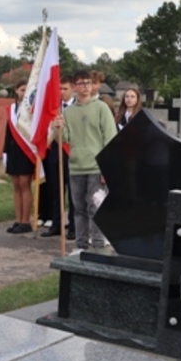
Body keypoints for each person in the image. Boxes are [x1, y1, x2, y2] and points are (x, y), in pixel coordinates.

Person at [61, 70, 118, 252]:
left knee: (96, 207)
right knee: (79, 209)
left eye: (88, 83)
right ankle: (81, 245)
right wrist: (57, 128)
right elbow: (64, 138)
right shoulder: (68, 111)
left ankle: (99, 245)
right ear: (75, 87)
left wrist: (107, 168)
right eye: (81, 83)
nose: (85, 86)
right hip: (76, 166)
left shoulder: (101, 108)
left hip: (96, 167)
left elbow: (110, 139)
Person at [39, 75, 73, 237]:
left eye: (65, 89)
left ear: (72, 89)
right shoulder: (53, 108)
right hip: (55, 151)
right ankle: (56, 224)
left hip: (72, 152)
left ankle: (73, 226)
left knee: (73, 193)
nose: (62, 92)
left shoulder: (77, 107)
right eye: (59, 89)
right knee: (56, 191)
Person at [3, 80, 35, 233]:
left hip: (26, 150)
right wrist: (5, 152)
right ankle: (18, 219)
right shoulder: (11, 109)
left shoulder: (31, 109)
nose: (24, 93)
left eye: (26, 90)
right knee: (16, 185)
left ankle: (26, 221)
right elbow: (8, 131)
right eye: (22, 90)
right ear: (16, 90)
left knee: (24, 184)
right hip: (13, 150)